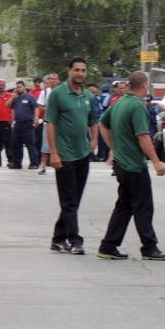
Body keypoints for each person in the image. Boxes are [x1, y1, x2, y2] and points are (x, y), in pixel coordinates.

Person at [97, 70, 165, 261]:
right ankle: (149, 247)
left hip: (121, 163)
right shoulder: (137, 106)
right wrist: (156, 161)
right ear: (144, 85)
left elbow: (102, 124)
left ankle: (108, 245)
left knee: (125, 205)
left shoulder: (120, 102)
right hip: (134, 165)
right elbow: (143, 136)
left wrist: (113, 148)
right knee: (143, 206)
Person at [45, 58, 99, 255]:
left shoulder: (87, 96)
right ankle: (75, 240)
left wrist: (94, 141)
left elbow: (93, 120)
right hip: (64, 154)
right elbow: (50, 123)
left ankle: (58, 239)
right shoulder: (57, 94)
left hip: (82, 153)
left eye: (83, 70)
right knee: (68, 200)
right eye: (76, 70)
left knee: (74, 200)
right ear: (69, 71)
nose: (80, 73)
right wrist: (54, 152)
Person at [6, 80, 39, 169]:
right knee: (16, 143)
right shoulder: (16, 98)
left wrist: (36, 118)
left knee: (30, 143)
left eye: (20, 87)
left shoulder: (30, 97)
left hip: (27, 123)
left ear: (24, 87)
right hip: (18, 123)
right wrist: (13, 96)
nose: (18, 89)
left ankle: (34, 163)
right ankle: (17, 162)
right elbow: (7, 105)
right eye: (17, 87)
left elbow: (36, 108)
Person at [36, 73, 59, 174]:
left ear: (58, 80)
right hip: (48, 122)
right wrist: (51, 110)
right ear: (49, 81)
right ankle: (43, 166)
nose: (54, 80)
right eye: (52, 79)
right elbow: (40, 106)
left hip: (60, 123)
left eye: (55, 79)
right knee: (46, 145)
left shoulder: (62, 92)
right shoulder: (45, 92)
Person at [0, 79, 15, 167]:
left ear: (5, 86)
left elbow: (13, 108)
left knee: (8, 142)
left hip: (6, 121)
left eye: (2, 85)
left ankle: (11, 160)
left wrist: (12, 119)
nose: (1, 87)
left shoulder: (10, 96)